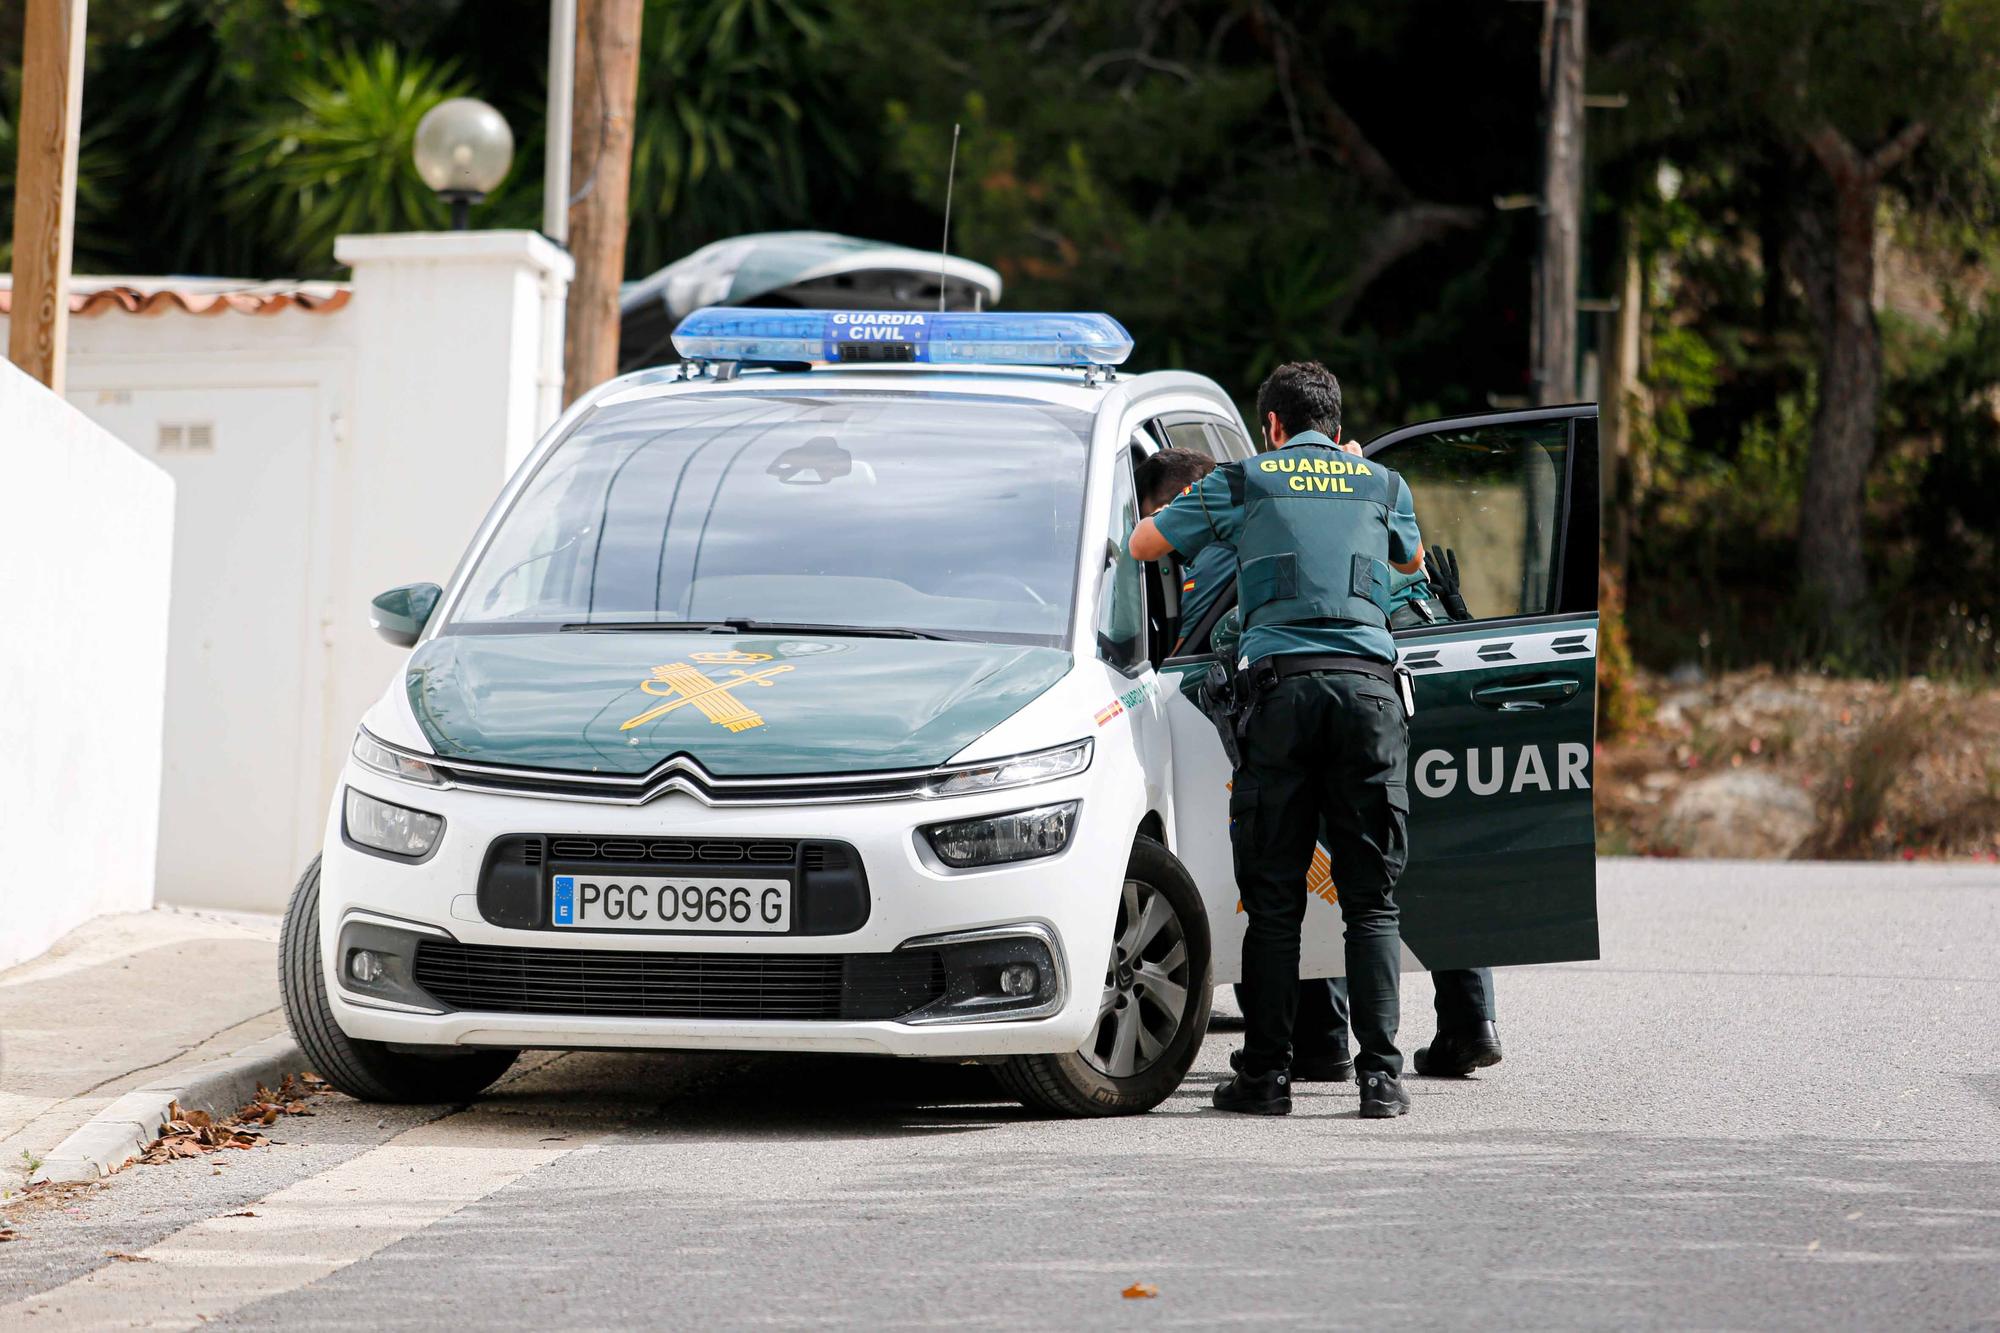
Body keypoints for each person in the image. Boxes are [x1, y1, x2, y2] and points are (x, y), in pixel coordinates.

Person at [1142, 444, 1502, 1088]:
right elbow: (1412, 560)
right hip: (1407, 683)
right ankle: (1438, 1039)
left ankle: (1307, 1046)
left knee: (1286, 888)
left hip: (1297, 703)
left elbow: (1171, 595)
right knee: (1385, 886)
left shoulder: (1239, 504)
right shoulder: (1370, 490)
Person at [1131, 360, 1422, 1119]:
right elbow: (1412, 562)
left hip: (1281, 694)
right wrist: (1357, 472)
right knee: (1372, 900)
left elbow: (1142, 543)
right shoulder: (1381, 483)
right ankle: (1382, 1079)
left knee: (1274, 900)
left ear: (1270, 426)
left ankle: (1265, 1077)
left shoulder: (1247, 480)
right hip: (1368, 693)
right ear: (1335, 423)